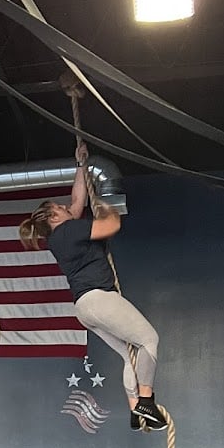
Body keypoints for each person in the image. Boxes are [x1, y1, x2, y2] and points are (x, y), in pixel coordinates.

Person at [19, 143, 166, 432]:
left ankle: (136, 411)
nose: (67, 208)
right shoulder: (71, 229)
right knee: (149, 339)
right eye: (60, 209)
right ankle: (147, 401)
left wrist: (81, 166)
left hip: (84, 308)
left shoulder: (57, 237)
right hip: (100, 298)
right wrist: (107, 207)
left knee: (128, 355)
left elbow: (76, 201)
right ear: (54, 218)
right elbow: (111, 226)